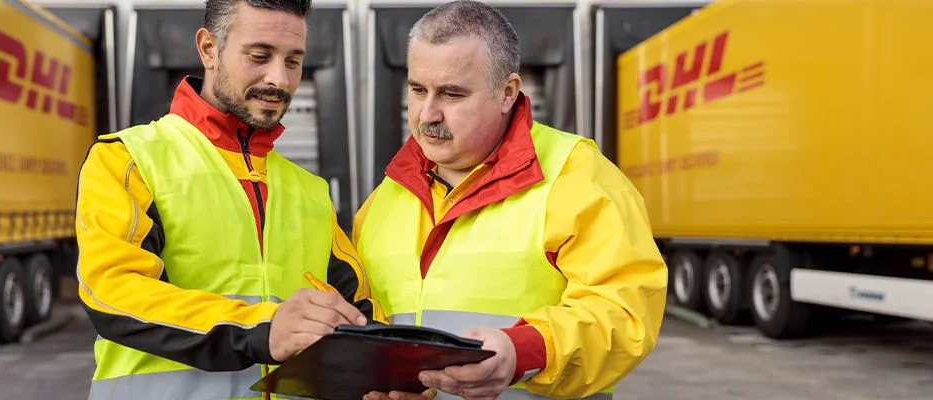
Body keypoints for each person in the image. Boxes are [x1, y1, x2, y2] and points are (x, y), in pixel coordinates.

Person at [353, 1, 668, 399]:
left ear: (507, 93)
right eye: (418, 90)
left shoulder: (577, 176)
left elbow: (624, 314)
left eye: (451, 94)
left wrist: (523, 353)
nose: (427, 114)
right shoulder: (386, 197)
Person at [73, 1, 385, 399]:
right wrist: (262, 329)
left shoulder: (309, 189)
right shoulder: (129, 159)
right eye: (260, 56)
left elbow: (361, 309)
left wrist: (400, 370)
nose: (279, 78)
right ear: (208, 49)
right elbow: (113, 291)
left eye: (293, 61)